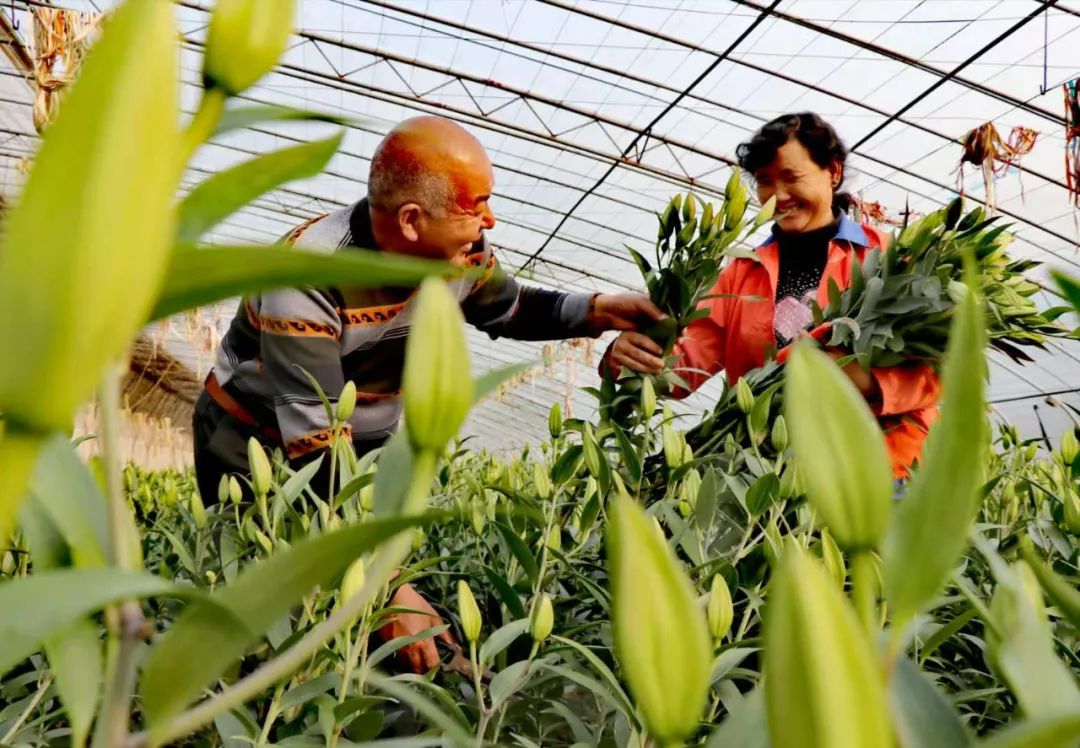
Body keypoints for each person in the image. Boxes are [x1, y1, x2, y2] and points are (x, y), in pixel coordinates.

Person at [193, 115, 664, 672]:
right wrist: (386, 583)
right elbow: (318, 446)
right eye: (476, 203)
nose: (490, 219)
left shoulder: (460, 253)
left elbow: (511, 308)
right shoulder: (307, 277)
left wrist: (597, 311)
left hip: (360, 450)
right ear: (412, 220)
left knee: (369, 622)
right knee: (270, 608)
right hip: (253, 446)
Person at [605, 112, 941, 480]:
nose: (778, 196)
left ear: (833, 172)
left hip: (882, 470)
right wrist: (630, 357)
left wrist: (863, 380)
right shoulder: (740, 273)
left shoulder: (889, 259)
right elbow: (684, 367)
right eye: (765, 181)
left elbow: (940, 368)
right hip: (771, 474)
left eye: (791, 177)